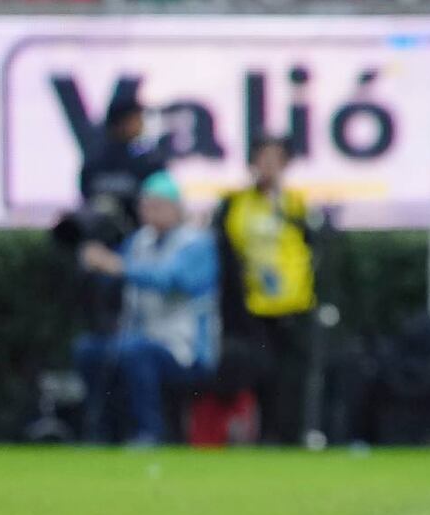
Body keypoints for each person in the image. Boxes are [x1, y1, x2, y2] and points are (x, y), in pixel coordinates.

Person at [74, 172, 219, 445]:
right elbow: (112, 277)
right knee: (88, 350)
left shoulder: (197, 243)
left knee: (136, 353)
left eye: (158, 205)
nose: (150, 212)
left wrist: (117, 266)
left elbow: (173, 279)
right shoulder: (139, 241)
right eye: (146, 205)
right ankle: (100, 434)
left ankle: (149, 433)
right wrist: (93, 262)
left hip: (185, 349)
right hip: (139, 339)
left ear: (176, 208)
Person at [214, 136, 317, 445]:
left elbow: (312, 248)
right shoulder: (236, 204)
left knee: (291, 376)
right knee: (260, 372)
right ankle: (261, 434)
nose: (268, 166)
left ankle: (289, 436)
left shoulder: (296, 204)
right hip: (252, 305)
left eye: (275, 159)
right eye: (263, 158)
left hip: (294, 304)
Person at [79, 96, 169, 223]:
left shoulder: (149, 160)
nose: (142, 123)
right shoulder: (94, 162)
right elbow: (87, 197)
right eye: (136, 118)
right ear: (121, 123)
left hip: (138, 231)